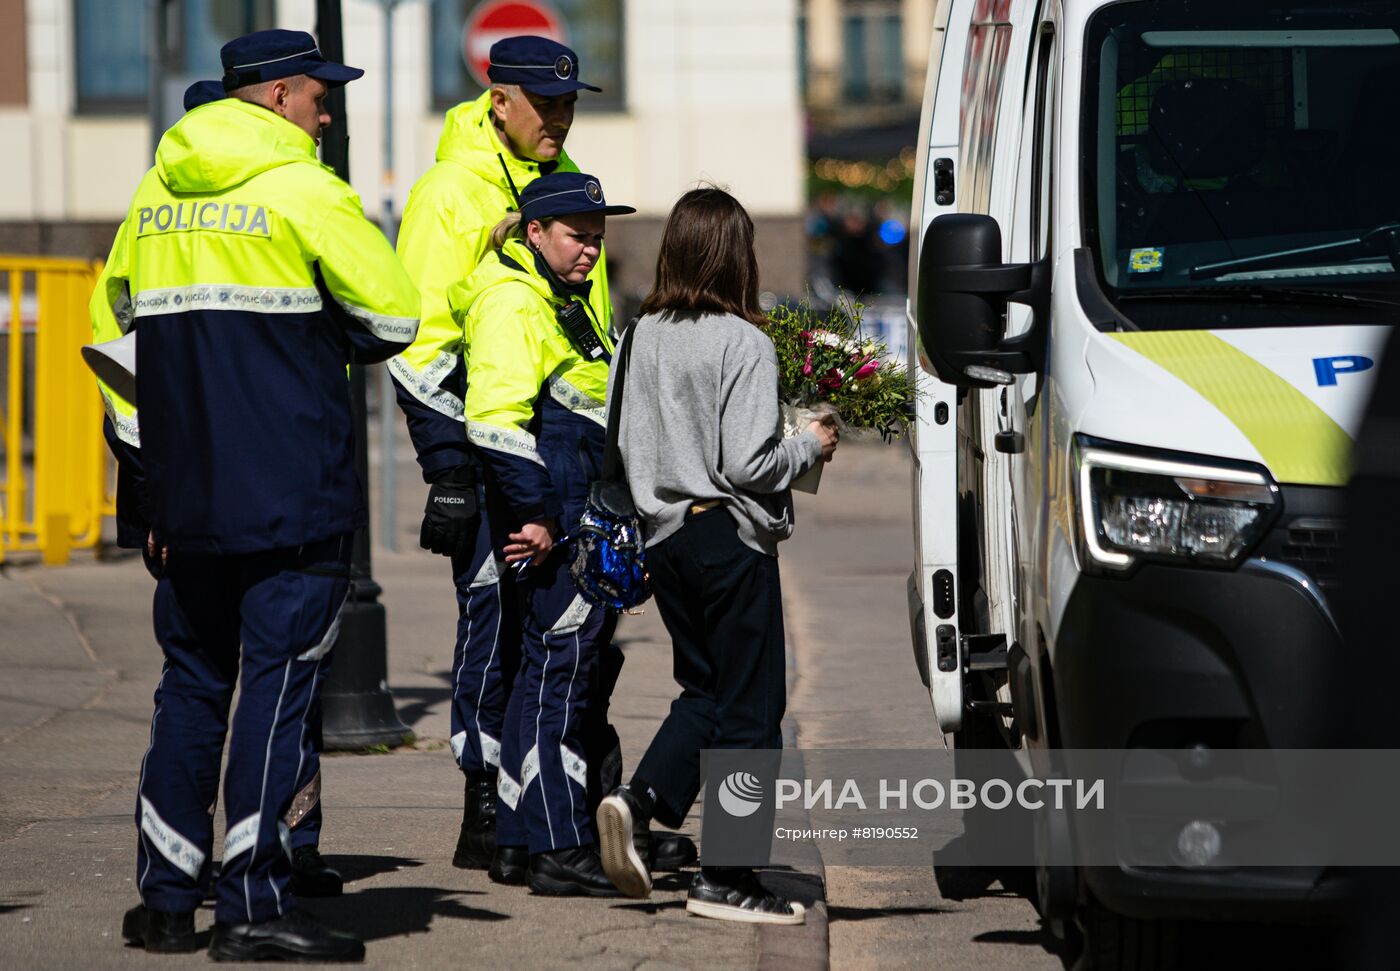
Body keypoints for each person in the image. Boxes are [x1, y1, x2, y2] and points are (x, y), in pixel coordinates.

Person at [91, 29, 419, 962]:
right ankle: (254, 902)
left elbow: (111, 342)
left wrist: (145, 481)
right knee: (277, 693)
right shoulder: (307, 190)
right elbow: (394, 313)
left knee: (192, 685)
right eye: (321, 90)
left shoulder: (153, 197)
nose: (330, 107)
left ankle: (164, 901)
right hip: (289, 493)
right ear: (276, 96)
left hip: (186, 496)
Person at [391, 35, 692, 876]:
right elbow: (419, 348)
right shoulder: (449, 192)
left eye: (568, 104)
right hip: (496, 455)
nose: (559, 118)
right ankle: (491, 808)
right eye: (544, 103)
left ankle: (575, 812)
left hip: (554, 460)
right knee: (501, 636)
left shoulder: (563, 190)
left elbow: (578, 343)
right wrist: (452, 470)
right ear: (499, 101)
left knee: (565, 646)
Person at [595, 187, 838, 924]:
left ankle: (636, 803)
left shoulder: (642, 334)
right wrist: (812, 444)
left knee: (704, 689)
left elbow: (623, 437)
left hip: (664, 537)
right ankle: (727, 874)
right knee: (753, 710)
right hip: (727, 536)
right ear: (738, 255)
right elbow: (748, 462)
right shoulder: (744, 342)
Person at [449, 171, 634, 896]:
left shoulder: (556, 298)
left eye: (597, 238)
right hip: (554, 514)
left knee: (545, 678)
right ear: (534, 232)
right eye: (575, 236)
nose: (590, 250)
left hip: (571, 507)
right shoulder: (511, 301)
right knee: (558, 678)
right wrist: (536, 515)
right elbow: (494, 419)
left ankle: (528, 837)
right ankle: (560, 844)